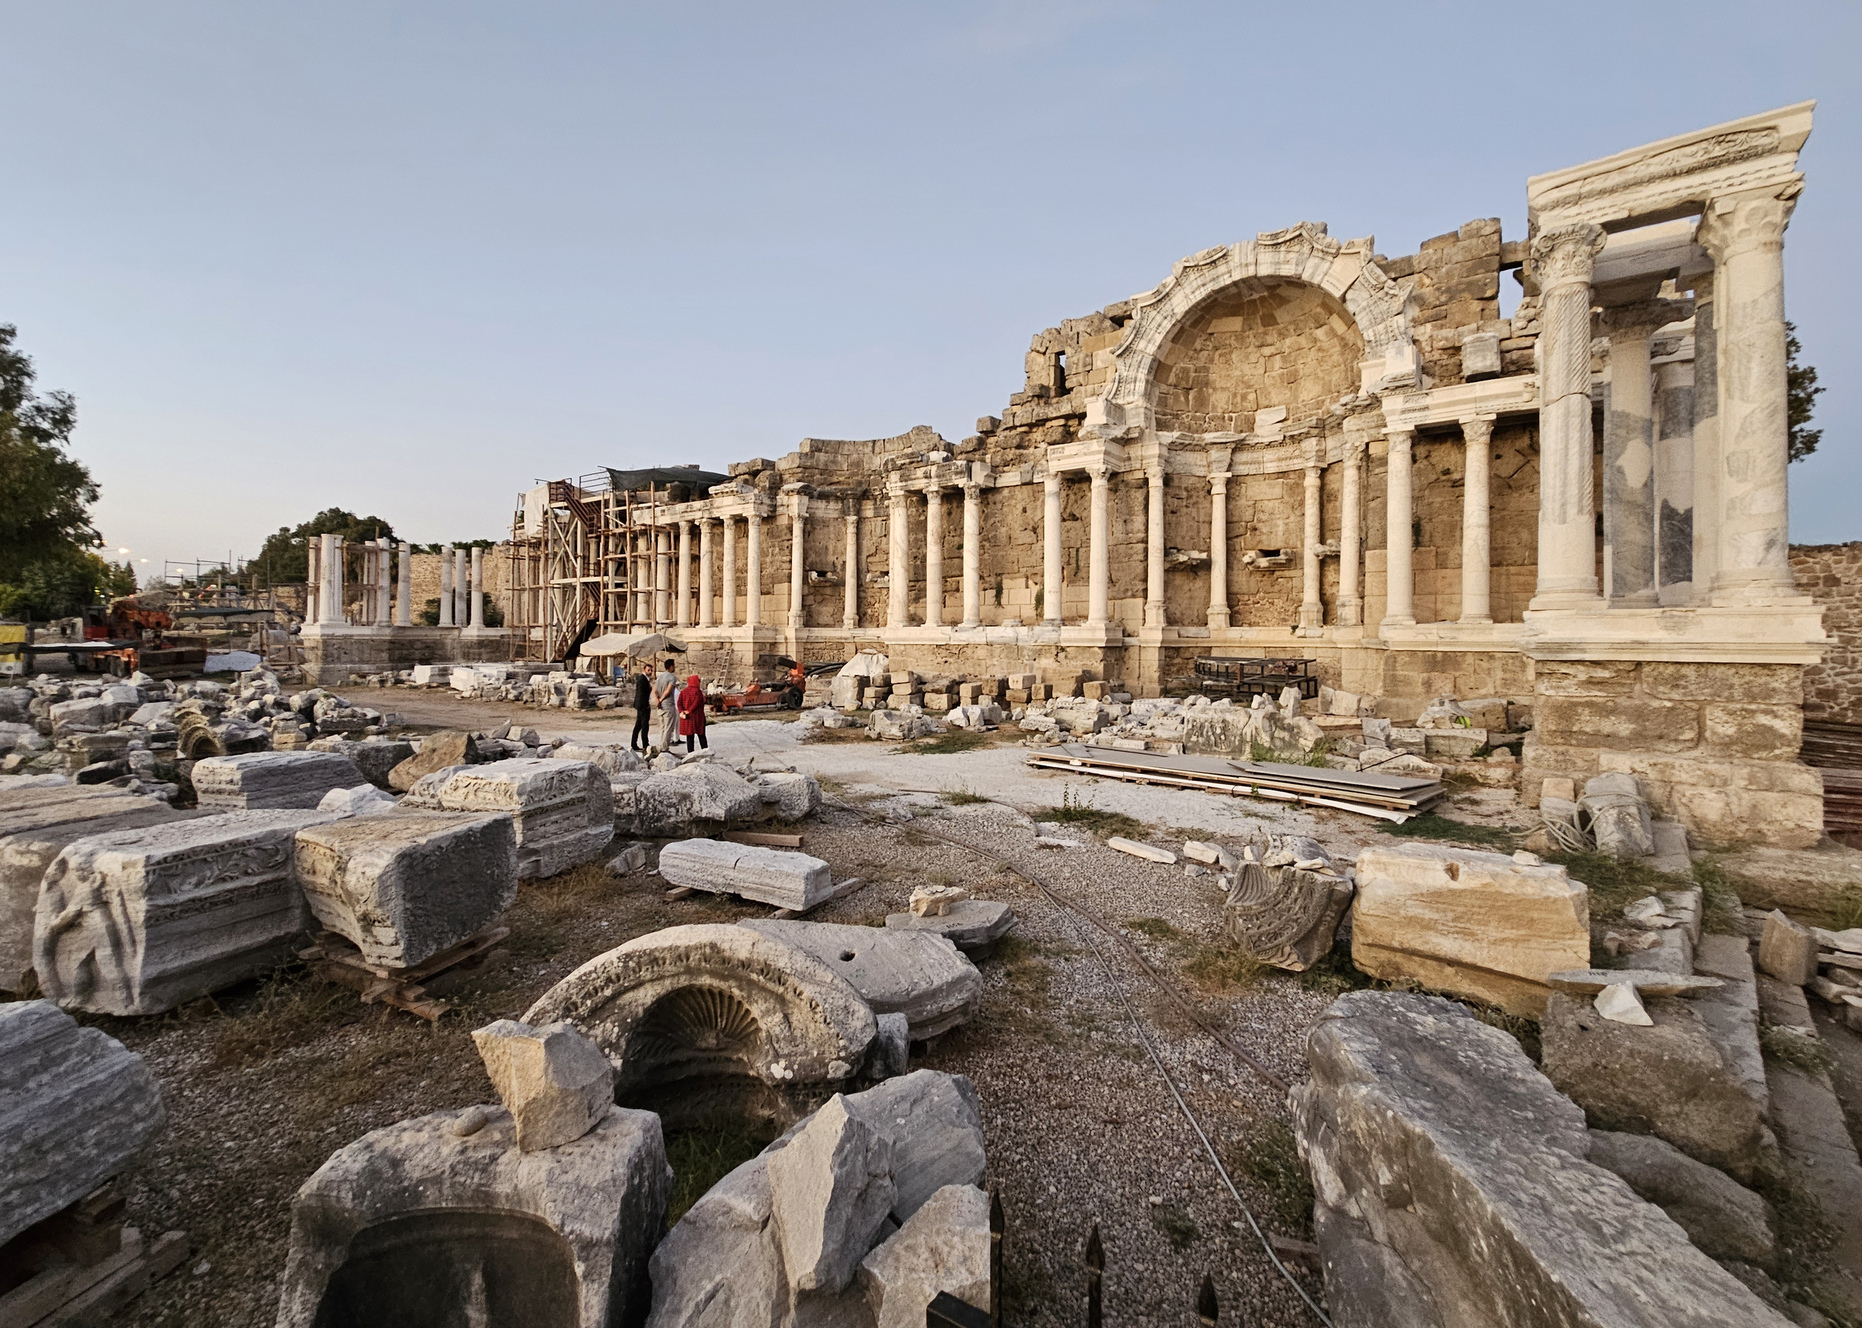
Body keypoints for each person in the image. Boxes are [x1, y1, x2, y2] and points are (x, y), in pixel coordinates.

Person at [677, 674, 708, 752]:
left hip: (687, 717)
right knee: (701, 735)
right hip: (698, 717)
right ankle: (705, 751)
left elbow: (679, 702)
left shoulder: (683, 692)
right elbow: (696, 702)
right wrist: (690, 710)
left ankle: (690, 752)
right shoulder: (698, 691)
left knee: (689, 736)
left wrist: (682, 711)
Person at [654, 656, 679, 752]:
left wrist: (657, 700)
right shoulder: (672, 677)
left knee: (663, 727)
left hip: (659, 706)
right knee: (669, 727)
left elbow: (655, 690)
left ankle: (662, 745)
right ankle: (665, 748)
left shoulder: (659, 677)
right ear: (671, 667)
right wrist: (661, 699)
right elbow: (668, 690)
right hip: (667, 704)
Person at [629, 662, 653, 753]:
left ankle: (634, 744)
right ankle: (645, 745)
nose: (650, 672)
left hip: (641, 704)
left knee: (638, 725)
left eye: (651, 670)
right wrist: (645, 705)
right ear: (644, 670)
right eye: (648, 670)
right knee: (644, 725)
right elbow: (642, 694)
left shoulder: (643, 679)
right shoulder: (642, 679)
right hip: (643, 705)